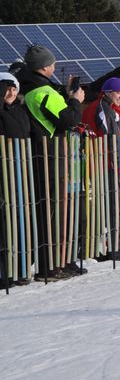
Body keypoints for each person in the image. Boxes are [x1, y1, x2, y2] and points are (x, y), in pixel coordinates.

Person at [15, 44, 86, 279]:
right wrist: (75, 100)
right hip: (50, 156)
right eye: (52, 63)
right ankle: (50, 266)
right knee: (52, 212)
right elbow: (68, 120)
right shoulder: (43, 92)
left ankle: (57, 262)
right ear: (44, 67)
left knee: (50, 210)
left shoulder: (28, 87)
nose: (55, 67)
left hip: (39, 154)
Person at [0, 71, 33, 287]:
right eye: (6, 89)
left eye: (14, 89)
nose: (11, 93)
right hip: (4, 171)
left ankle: (19, 268)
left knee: (19, 219)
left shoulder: (19, 111)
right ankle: (4, 271)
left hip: (20, 171)